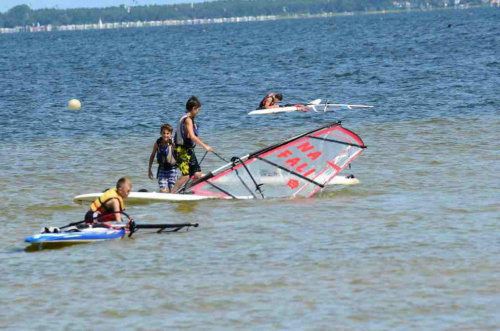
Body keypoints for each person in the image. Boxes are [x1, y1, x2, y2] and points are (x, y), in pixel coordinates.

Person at [171, 96, 212, 193]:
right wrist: (205, 146)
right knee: (186, 175)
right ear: (193, 108)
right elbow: (193, 137)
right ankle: (171, 194)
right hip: (180, 150)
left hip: (188, 150)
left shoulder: (188, 119)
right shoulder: (188, 119)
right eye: (198, 110)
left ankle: (185, 190)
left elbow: (188, 135)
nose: (198, 112)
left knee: (197, 174)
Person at [148, 124, 178, 193]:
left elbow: (179, 154)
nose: (165, 135)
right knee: (162, 190)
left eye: (167, 133)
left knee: (172, 190)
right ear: (160, 133)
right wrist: (149, 169)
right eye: (163, 133)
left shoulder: (173, 143)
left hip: (172, 169)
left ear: (171, 134)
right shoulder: (158, 143)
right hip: (162, 169)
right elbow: (152, 156)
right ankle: (163, 203)